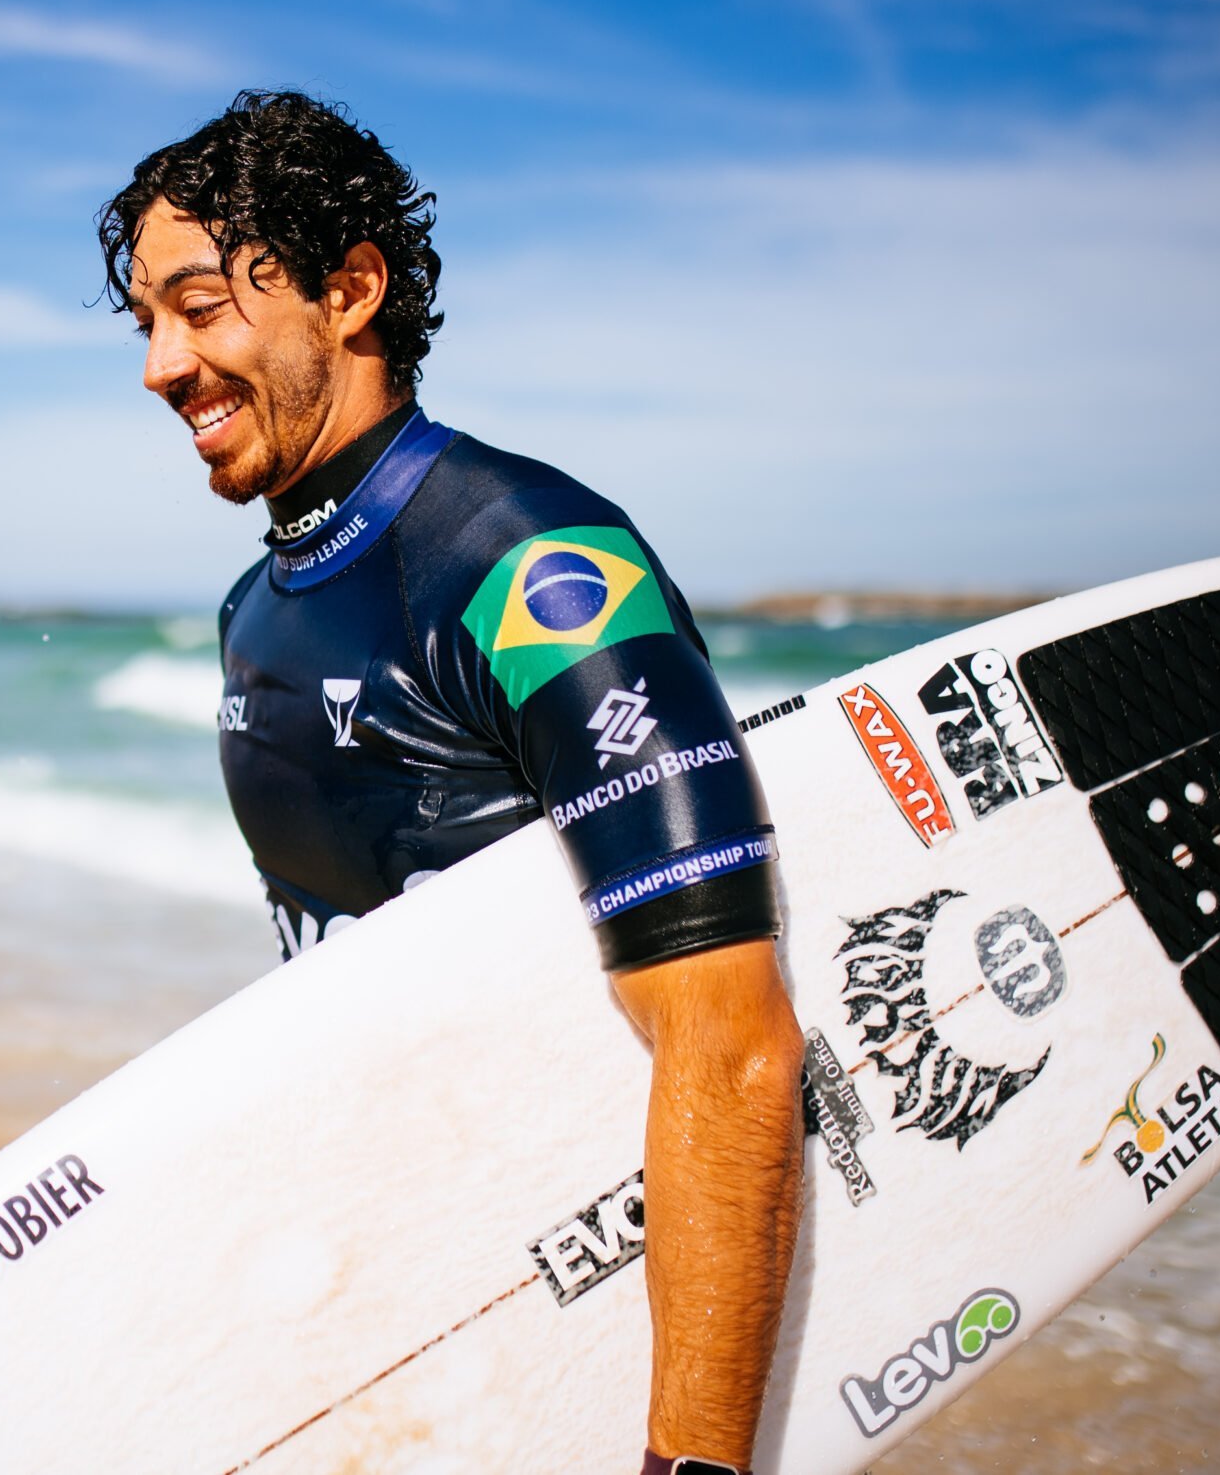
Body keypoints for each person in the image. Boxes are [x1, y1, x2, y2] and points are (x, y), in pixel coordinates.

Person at [100, 92, 805, 1475]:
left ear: (350, 289)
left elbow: (731, 1041)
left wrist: (695, 1460)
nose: (160, 366)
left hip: (595, 1310)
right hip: (423, 1299)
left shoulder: (532, 564)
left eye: (198, 308)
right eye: (145, 323)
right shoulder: (260, 601)